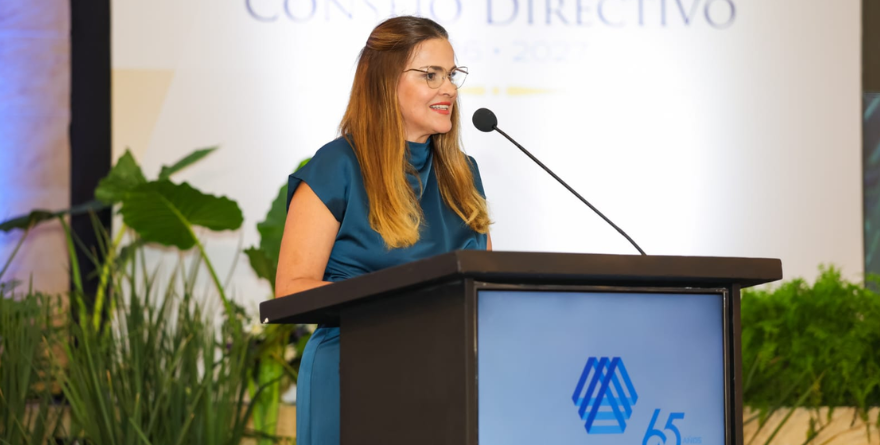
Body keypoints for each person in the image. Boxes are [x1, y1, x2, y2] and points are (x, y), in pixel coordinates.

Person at [274, 15, 492, 445]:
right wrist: (397, 301)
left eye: (451, 75)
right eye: (431, 75)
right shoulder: (338, 166)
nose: (449, 89)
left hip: (445, 376)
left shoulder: (464, 174)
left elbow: (483, 286)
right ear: (385, 81)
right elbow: (291, 288)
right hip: (355, 371)